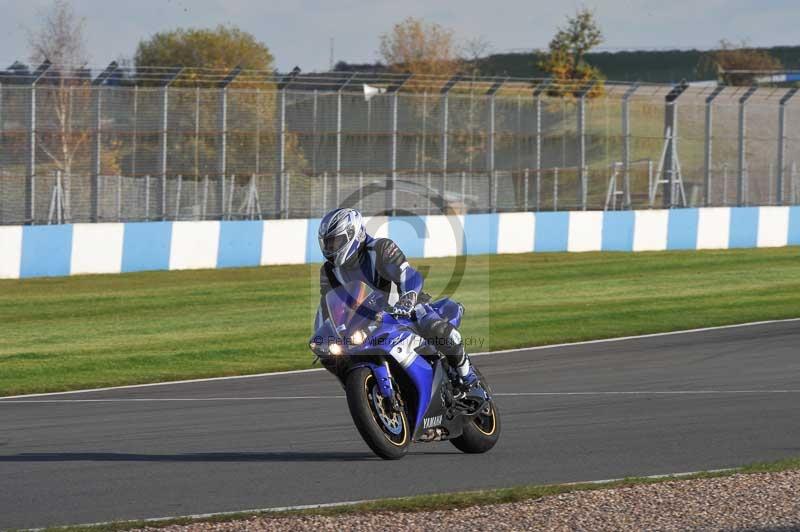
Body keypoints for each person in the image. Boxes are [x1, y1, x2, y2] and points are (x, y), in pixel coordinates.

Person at [315, 207, 478, 389]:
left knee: (436, 328)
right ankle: (362, 388)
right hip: (365, 321)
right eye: (327, 244)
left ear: (353, 234)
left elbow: (408, 275)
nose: (331, 249)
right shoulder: (329, 271)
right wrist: (323, 334)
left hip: (404, 307)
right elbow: (327, 305)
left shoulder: (380, 248)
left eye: (336, 242)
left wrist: (408, 298)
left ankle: (468, 377)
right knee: (335, 356)